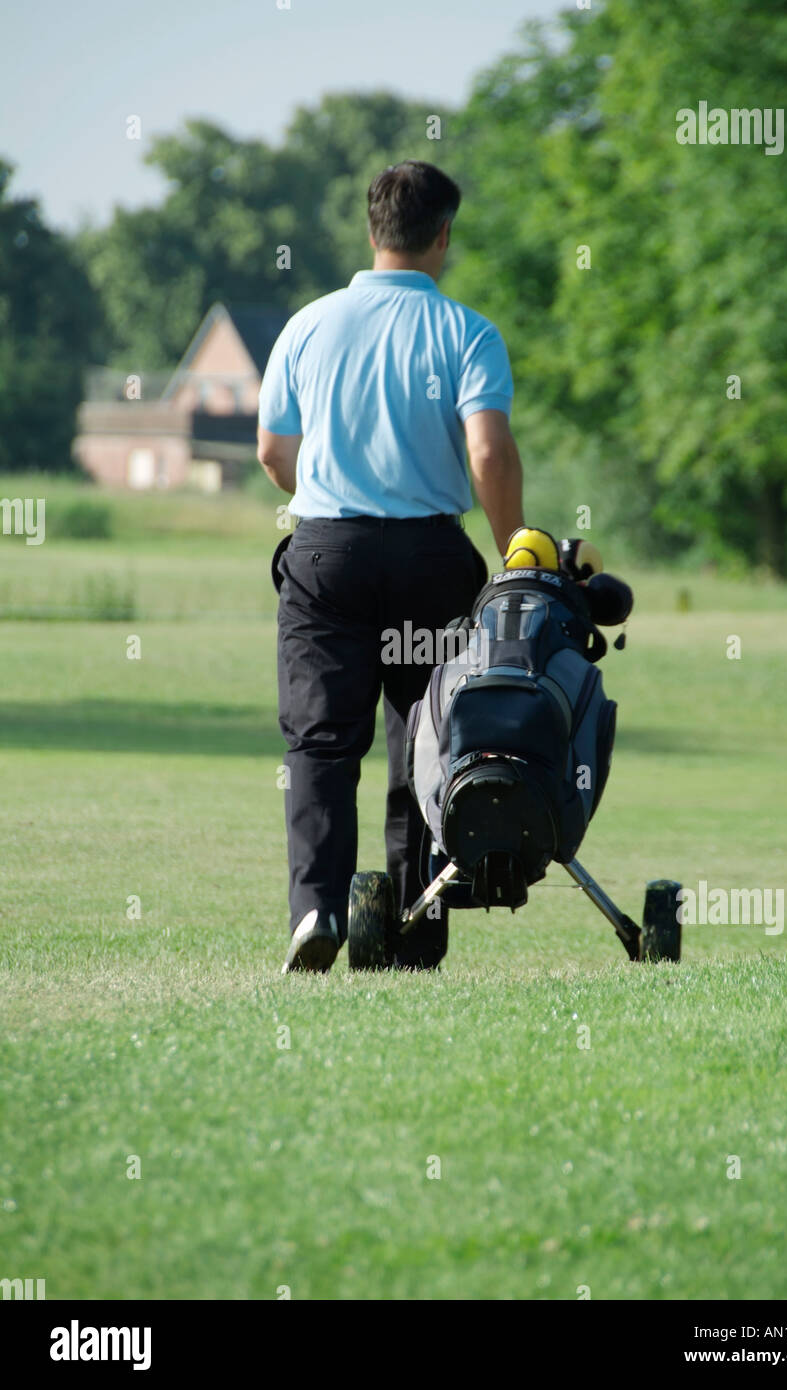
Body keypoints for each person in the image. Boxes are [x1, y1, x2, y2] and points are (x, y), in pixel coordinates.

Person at [257, 159, 524, 974]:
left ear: (372, 231)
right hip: (430, 559)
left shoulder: (307, 324)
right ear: (442, 234)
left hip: (326, 554)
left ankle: (317, 912)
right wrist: (514, 547)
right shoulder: (467, 332)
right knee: (427, 745)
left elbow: (273, 451)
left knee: (321, 743)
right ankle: (410, 930)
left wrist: (318, 495)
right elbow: (486, 448)